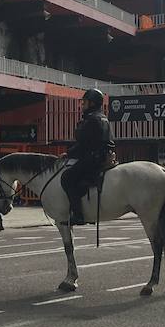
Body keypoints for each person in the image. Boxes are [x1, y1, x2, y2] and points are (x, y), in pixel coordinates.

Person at [62, 88, 115, 227]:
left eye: (84, 102)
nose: (82, 105)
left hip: (93, 157)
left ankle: (79, 215)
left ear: (92, 103)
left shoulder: (92, 119)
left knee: (67, 178)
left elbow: (83, 144)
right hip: (104, 155)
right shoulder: (103, 118)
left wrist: (68, 154)